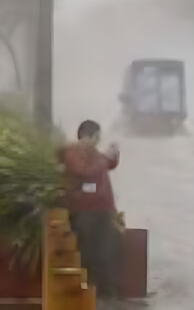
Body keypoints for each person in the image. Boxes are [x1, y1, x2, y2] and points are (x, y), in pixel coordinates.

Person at [59, 120, 121, 300]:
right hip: (84, 211)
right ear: (85, 137)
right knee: (87, 252)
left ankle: (106, 294)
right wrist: (104, 159)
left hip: (102, 210)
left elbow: (108, 163)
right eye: (95, 138)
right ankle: (87, 293)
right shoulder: (73, 153)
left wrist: (114, 153)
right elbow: (86, 171)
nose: (97, 142)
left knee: (105, 251)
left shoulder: (95, 154)